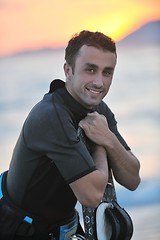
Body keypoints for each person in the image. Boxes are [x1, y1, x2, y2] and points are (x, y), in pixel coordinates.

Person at [0, 30, 140, 240]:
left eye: (107, 72)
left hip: (64, 227)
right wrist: (102, 143)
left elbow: (132, 178)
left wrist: (108, 139)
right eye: (90, 70)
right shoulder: (51, 116)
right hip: (17, 227)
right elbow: (91, 196)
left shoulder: (99, 111)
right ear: (68, 70)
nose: (99, 82)